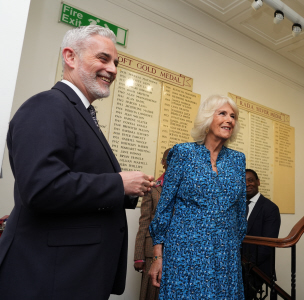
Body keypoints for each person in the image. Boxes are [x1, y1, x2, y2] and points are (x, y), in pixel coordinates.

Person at [0, 25, 154, 299]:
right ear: (70, 57)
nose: (114, 69)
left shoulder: (79, 113)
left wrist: (131, 189)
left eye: (116, 63)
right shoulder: (47, 105)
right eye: (103, 58)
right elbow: (42, 188)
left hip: (74, 274)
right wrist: (119, 184)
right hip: (49, 277)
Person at [148, 95, 247, 299]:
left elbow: (240, 211)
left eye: (233, 116)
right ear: (207, 119)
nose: (229, 119)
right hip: (185, 252)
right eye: (222, 113)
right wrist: (158, 256)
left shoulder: (238, 160)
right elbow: (165, 207)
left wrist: (231, 247)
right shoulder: (183, 153)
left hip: (225, 254)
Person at [134, 148, 171, 300]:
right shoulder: (152, 188)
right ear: (163, 162)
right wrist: (139, 256)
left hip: (178, 250)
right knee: (151, 293)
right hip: (152, 251)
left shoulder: (188, 190)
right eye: (169, 159)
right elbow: (144, 222)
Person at [242, 169, 280, 299]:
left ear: (258, 182)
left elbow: (267, 245)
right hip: (235, 267)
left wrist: (246, 265)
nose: (247, 184)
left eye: (250, 180)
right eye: (243, 181)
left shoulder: (270, 208)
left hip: (256, 269)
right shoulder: (237, 207)